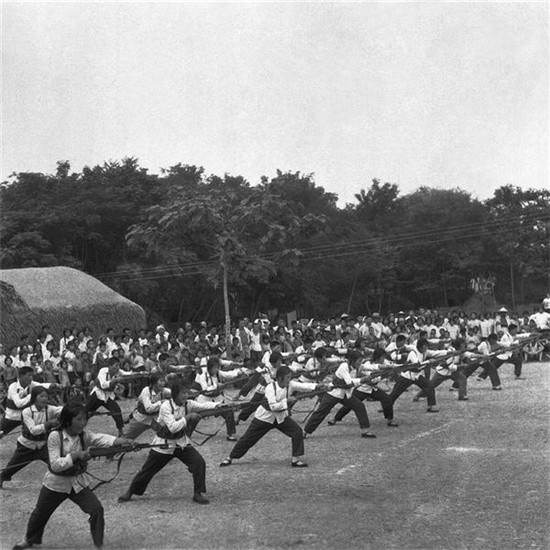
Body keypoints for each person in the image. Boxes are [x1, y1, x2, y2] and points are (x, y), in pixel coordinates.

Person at [12, 402, 133, 550]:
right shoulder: (55, 436)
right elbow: (55, 464)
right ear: (68, 421)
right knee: (40, 513)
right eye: (79, 419)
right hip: (55, 483)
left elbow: (100, 438)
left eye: (85, 419)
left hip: (77, 483)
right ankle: (29, 540)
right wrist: (75, 456)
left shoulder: (84, 435)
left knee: (96, 509)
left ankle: (98, 544)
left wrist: (123, 441)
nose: (83, 423)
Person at [117, 380, 215, 505]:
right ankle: (131, 491)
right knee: (147, 470)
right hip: (164, 445)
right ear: (175, 393)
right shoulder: (165, 407)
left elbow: (204, 406)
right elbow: (173, 427)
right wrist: (187, 418)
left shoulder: (188, 404)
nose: (186, 395)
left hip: (181, 443)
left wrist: (219, 405)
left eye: (187, 392)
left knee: (199, 463)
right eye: (183, 393)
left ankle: (197, 493)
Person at [220, 365, 323, 468]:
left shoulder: (290, 385)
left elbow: (305, 386)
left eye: (290, 377)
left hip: (280, 417)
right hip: (264, 418)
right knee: (248, 439)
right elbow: (273, 406)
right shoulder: (270, 387)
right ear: (280, 378)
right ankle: (230, 457)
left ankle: (295, 460)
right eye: (287, 377)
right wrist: (287, 401)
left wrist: (320, 386)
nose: (289, 379)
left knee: (297, 431)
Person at [304, 350, 376, 438]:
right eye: (359, 361)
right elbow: (349, 382)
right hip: (334, 393)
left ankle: (365, 431)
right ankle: (305, 431)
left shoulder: (356, 366)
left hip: (345, 394)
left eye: (361, 361)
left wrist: (387, 366)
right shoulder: (344, 366)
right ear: (353, 360)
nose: (360, 363)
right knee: (321, 412)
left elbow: (372, 367)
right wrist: (362, 380)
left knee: (359, 406)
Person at [0, 387, 62, 488]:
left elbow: (64, 410)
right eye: (41, 396)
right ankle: (2, 477)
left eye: (46, 396)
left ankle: (63, 481)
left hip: (43, 445)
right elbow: (33, 430)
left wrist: (78, 409)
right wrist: (49, 424)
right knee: (12, 467)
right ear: (34, 398)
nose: (45, 399)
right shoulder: (27, 412)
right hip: (26, 446)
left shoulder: (50, 409)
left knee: (56, 463)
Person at [327, 348, 398, 427]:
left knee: (387, 399)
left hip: (373, 389)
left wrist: (392, 368)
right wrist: (383, 375)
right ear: (378, 357)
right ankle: (335, 419)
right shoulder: (367, 363)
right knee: (349, 405)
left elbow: (384, 366)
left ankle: (390, 420)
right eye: (382, 357)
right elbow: (370, 378)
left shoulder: (384, 363)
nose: (384, 359)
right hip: (362, 388)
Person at [388, 339, 442, 413]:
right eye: (425, 347)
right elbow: (417, 366)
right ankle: (386, 406)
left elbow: (436, 353)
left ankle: (431, 406)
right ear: (420, 347)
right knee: (395, 392)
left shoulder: (425, 352)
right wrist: (429, 361)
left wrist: (449, 352)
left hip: (417, 376)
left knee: (430, 386)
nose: (426, 348)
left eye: (426, 346)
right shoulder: (413, 353)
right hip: (407, 376)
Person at [0, 367, 54, 437]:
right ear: (21, 376)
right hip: (12, 416)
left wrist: (53, 385)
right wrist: (32, 395)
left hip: (26, 416)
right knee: (1, 433)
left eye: (32, 376)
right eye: (29, 375)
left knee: (35, 433)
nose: (31, 378)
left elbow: (41, 385)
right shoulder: (13, 387)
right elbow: (18, 404)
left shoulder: (31, 384)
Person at [86, 357, 129, 436]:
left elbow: (128, 374)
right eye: (116, 365)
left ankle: (120, 431)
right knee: (86, 411)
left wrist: (142, 373)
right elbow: (103, 385)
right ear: (109, 366)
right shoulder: (103, 371)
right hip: (98, 394)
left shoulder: (118, 371)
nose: (117, 368)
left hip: (108, 396)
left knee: (116, 410)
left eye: (118, 365)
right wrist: (115, 380)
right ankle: (76, 428)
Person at [124, 374, 167, 440]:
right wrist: (160, 403)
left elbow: (174, 393)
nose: (163, 383)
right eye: (161, 381)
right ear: (154, 383)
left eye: (164, 381)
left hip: (153, 420)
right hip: (141, 419)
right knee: (126, 439)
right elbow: (148, 408)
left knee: (166, 433)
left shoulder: (163, 391)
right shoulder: (146, 391)